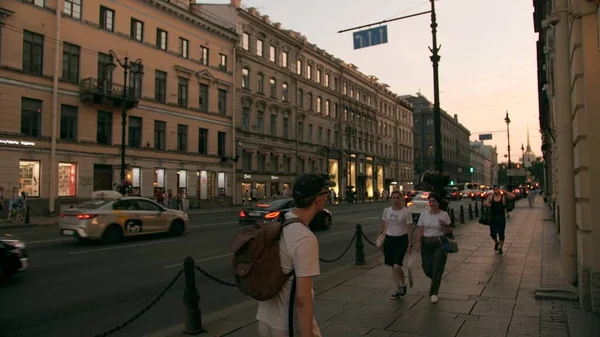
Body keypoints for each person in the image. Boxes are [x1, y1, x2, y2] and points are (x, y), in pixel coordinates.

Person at [256, 173, 334, 337]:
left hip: (264, 319)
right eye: (326, 191)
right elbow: (303, 299)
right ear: (318, 199)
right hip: (288, 326)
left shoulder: (281, 223)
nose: (329, 195)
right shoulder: (304, 237)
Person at [416, 192, 452, 304]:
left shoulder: (444, 214)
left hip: (440, 243)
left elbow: (449, 231)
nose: (432, 203)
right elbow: (420, 229)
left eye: (434, 201)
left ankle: (434, 293)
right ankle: (436, 280)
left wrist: (444, 226)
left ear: (438, 203)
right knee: (427, 267)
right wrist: (418, 242)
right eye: (430, 201)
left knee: (437, 266)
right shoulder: (424, 215)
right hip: (426, 242)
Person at [377, 190, 413, 299]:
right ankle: (397, 289)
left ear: (401, 199)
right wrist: (380, 236)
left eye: (398, 198)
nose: (396, 200)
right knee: (393, 266)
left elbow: (409, 229)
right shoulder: (386, 211)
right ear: (391, 199)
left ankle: (402, 283)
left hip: (401, 239)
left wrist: (409, 244)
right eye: (394, 198)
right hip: (389, 239)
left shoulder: (406, 212)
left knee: (397, 265)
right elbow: (383, 225)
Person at [484, 185, 515, 255]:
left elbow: (513, 196)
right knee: (492, 233)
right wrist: (490, 205)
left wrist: (505, 192)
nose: (496, 191)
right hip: (493, 217)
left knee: (501, 233)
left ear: (499, 190)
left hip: (501, 217)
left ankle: (500, 248)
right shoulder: (491, 196)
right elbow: (485, 203)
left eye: (497, 189)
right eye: (494, 190)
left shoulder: (503, 197)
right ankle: (496, 242)